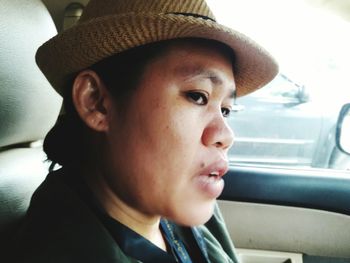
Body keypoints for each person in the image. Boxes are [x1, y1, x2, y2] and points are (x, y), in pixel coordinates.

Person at [11, 0, 278, 262]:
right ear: (96, 102)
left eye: (226, 109)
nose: (225, 135)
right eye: (198, 96)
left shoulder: (178, 207)